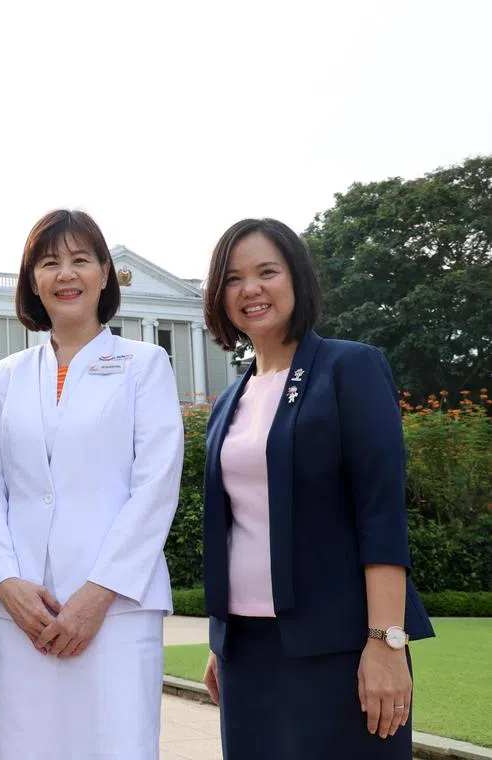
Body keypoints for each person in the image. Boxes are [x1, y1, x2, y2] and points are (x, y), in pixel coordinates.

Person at [199, 218, 435, 759]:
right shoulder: (227, 403)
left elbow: (381, 515)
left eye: (267, 272)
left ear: (297, 280)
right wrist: (220, 643)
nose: (251, 289)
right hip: (246, 652)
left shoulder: (349, 368)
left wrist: (386, 643)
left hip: (340, 648)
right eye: (233, 279)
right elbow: (239, 528)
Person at [0, 209, 184, 758]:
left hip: (115, 611)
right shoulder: (5, 376)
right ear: (33, 280)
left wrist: (97, 594)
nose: (66, 274)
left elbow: (156, 486)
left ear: (106, 273)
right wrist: (9, 583)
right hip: (21, 614)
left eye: (80, 260)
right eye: (49, 263)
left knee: (115, 744)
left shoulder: (145, 364)